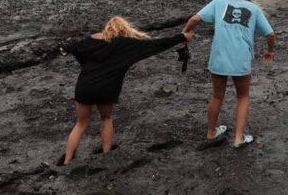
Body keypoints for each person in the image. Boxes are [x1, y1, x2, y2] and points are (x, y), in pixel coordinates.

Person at [59, 16, 192, 166]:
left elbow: (73, 48)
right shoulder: (125, 45)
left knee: (80, 124)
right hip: (105, 89)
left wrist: (85, 64)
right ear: (122, 30)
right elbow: (155, 44)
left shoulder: (89, 41)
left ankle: (67, 160)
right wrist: (182, 37)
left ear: (107, 27)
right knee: (106, 119)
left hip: (84, 87)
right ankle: (106, 155)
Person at [183, 0, 276, 149]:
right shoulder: (253, 9)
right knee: (243, 96)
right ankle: (239, 138)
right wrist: (269, 51)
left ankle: (211, 133)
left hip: (219, 59)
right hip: (241, 61)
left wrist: (185, 33)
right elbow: (270, 33)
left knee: (217, 95)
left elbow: (195, 19)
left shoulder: (219, 3)